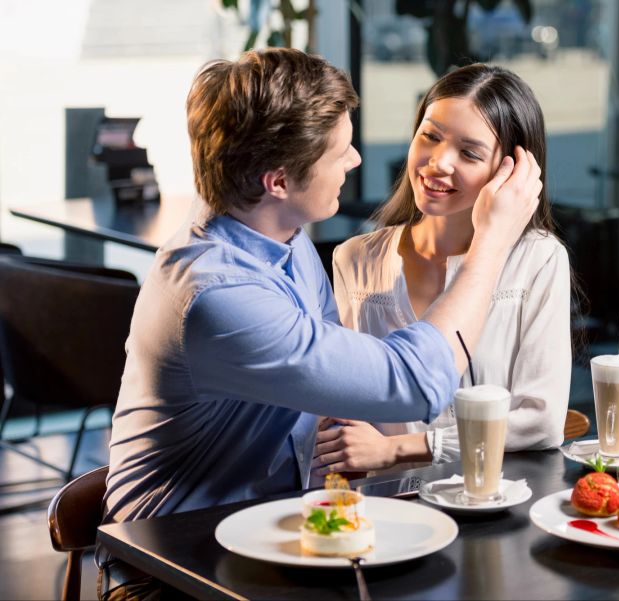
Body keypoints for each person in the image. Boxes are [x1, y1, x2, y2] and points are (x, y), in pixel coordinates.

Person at [97, 49, 541, 600]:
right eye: (339, 151)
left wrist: (399, 454)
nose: (355, 160)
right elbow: (416, 384)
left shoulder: (284, 235)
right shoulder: (217, 295)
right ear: (278, 180)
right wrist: (491, 244)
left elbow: (335, 395)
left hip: (274, 533)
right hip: (173, 569)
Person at [312, 64, 571, 477]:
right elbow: (343, 402)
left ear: (512, 173)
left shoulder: (538, 260)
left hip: (494, 506)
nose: (438, 162)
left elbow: (539, 421)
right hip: (390, 512)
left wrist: (397, 448)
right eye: (430, 136)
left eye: (469, 153)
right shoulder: (354, 258)